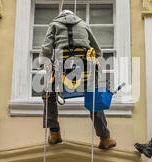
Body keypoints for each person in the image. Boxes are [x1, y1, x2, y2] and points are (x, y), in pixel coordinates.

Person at [38, 9, 116, 150]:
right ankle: (105, 138)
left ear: (60, 15)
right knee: (95, 99)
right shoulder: (84, 24)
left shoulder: (54, 24)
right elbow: (97, 50)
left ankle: (55, 133)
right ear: (74, 15)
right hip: (86, 72)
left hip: (64, 72)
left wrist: (42, 62)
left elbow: (47, 47)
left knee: (48, 94)